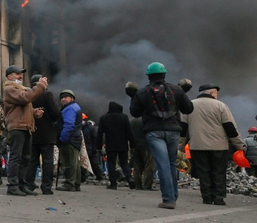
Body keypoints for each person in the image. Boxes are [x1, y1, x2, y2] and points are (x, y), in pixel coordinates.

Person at [130, 62, 194, 210]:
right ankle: (173, 196)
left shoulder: (142, 92)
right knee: (171, 163)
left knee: (163, 164)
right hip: (173, 131)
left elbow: (135, 113)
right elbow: (189, 108)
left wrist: (133, 96)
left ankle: (168, 199)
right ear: (164, 74)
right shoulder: (176, 90)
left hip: (154, 132)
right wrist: (182, 94)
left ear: (148, 76)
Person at [180, 84, 245, 205]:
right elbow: (230, 128)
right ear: (211, 93)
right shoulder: (221, 106)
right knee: (219, 171)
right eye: (216, 93)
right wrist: (240, 146)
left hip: (197, 147)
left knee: (203, 172)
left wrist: (180, 148)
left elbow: (183, 130)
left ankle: (207, 197)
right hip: (219, 147)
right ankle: (219, 197)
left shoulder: (189, 106)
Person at [2, 65, 48, 196]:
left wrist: (34, 112)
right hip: (18, 126)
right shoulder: (10, 88)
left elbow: (21, 106)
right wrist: (40, 86)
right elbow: (26, 98)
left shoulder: (20, 89)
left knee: (25, 158)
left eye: (20, 74)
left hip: (25, 126)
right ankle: (13, 185)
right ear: (9, 77)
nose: (20, 76)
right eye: (17, 74)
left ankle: (22, 185)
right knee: (16, 157)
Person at [26, 74, 61, 195]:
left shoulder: (28, 94)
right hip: (47, 133)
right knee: (47, 161)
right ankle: (46, 186)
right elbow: (56, 113)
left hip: (32, 131)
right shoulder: (46, 94)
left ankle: (29, 184)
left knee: (32, 160)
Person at [96, 102, 135, 190]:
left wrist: (98, 146)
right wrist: (132, 145)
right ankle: (130, 178)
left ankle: (113, 184)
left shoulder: (104, 118)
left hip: (110, 145)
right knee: (124, 163)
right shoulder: (124, 117)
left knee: (111, 164)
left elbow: (100, 134)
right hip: (123, 144)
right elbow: (129, 132)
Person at [55, 90, 83, 192]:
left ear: (72, 98)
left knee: (69, 162)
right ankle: (76, 183)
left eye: (66, 97)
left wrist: (63, 138)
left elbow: (69, 125)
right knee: (75, 162)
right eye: (62, 97)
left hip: (69, 139)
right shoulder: (75, 107)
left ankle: (70, 183)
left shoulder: (70, 108)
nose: (63, 99)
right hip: (74, 138)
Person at [81, 115, 104, 182]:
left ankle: (100, 176)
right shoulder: (81, 128)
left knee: (94, 164)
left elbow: (95, 138)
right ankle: (82, 177)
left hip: (91, 149)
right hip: (85, 148)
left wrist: (95, 148)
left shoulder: (90, 128)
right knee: (83, 164)